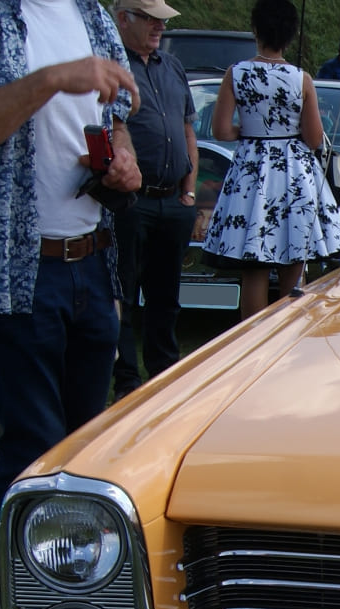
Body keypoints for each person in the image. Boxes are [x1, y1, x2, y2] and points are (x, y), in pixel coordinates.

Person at [0, 0, 142, 562]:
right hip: (16, 273)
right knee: (35, 456)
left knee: (85, 457)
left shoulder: (90, 13)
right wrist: (57, 77)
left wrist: (124, 160)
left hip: (91, 263)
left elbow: (117, 120)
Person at [203, 0, 340, 320]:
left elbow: (222, 130)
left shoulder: (235, 73)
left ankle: (251, 344)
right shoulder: (301, 78)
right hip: (293, 174)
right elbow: (313, 139)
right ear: (290, 36)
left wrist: (251, 131)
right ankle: (291, 342)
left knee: (254, 266)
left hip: (251, 173)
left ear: (255, 30)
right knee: (295, 265)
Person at [110, 0, 198, 399]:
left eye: (162, 20)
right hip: (132, 201)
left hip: (171, 202)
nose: (159, 26)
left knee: (166, 298)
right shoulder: (113, 64)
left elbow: (187, 129)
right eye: (151, 18)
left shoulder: (172, 66)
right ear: (123, 19)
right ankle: (127, 382)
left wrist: (189, 191)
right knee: (124, 294)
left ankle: (163, 376)